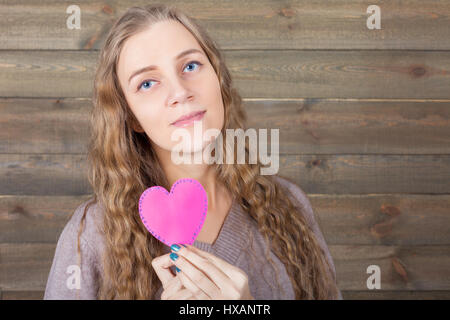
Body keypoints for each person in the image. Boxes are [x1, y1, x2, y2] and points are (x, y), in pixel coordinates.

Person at [44, 4, 342, 300]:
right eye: (147, 83)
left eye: (190, 66)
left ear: (218, 79)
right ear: (131, 117)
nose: (180, 92)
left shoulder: (289, 206)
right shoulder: (91, 236)